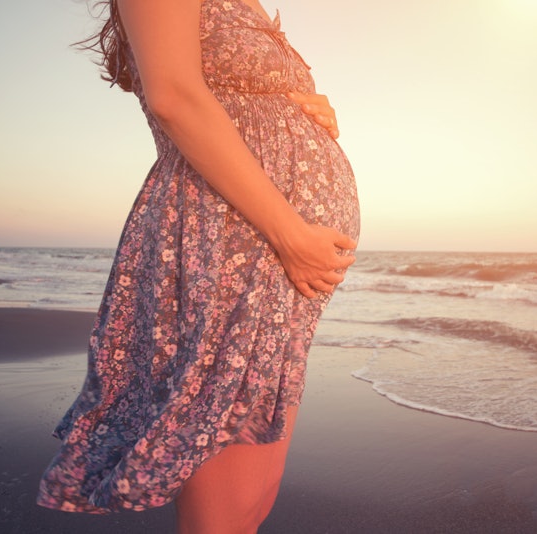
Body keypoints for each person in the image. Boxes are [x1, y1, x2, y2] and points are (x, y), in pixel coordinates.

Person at [37, 0, 360, 531]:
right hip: (239, 239)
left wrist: (305, 108)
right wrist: (290, 232)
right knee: (224, 510)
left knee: (252, 498)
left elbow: (223, 89)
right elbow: (174, 96)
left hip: (273, 254)